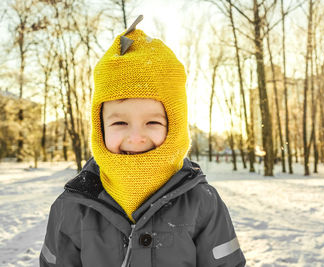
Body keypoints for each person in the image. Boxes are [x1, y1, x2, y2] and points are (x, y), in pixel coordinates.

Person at [40, 16, 246, 267]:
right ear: (99, 127)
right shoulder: (72, 207)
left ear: (175, 127)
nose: (136, 137)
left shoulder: (202, 202)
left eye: (153, 123)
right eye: (119, 123)